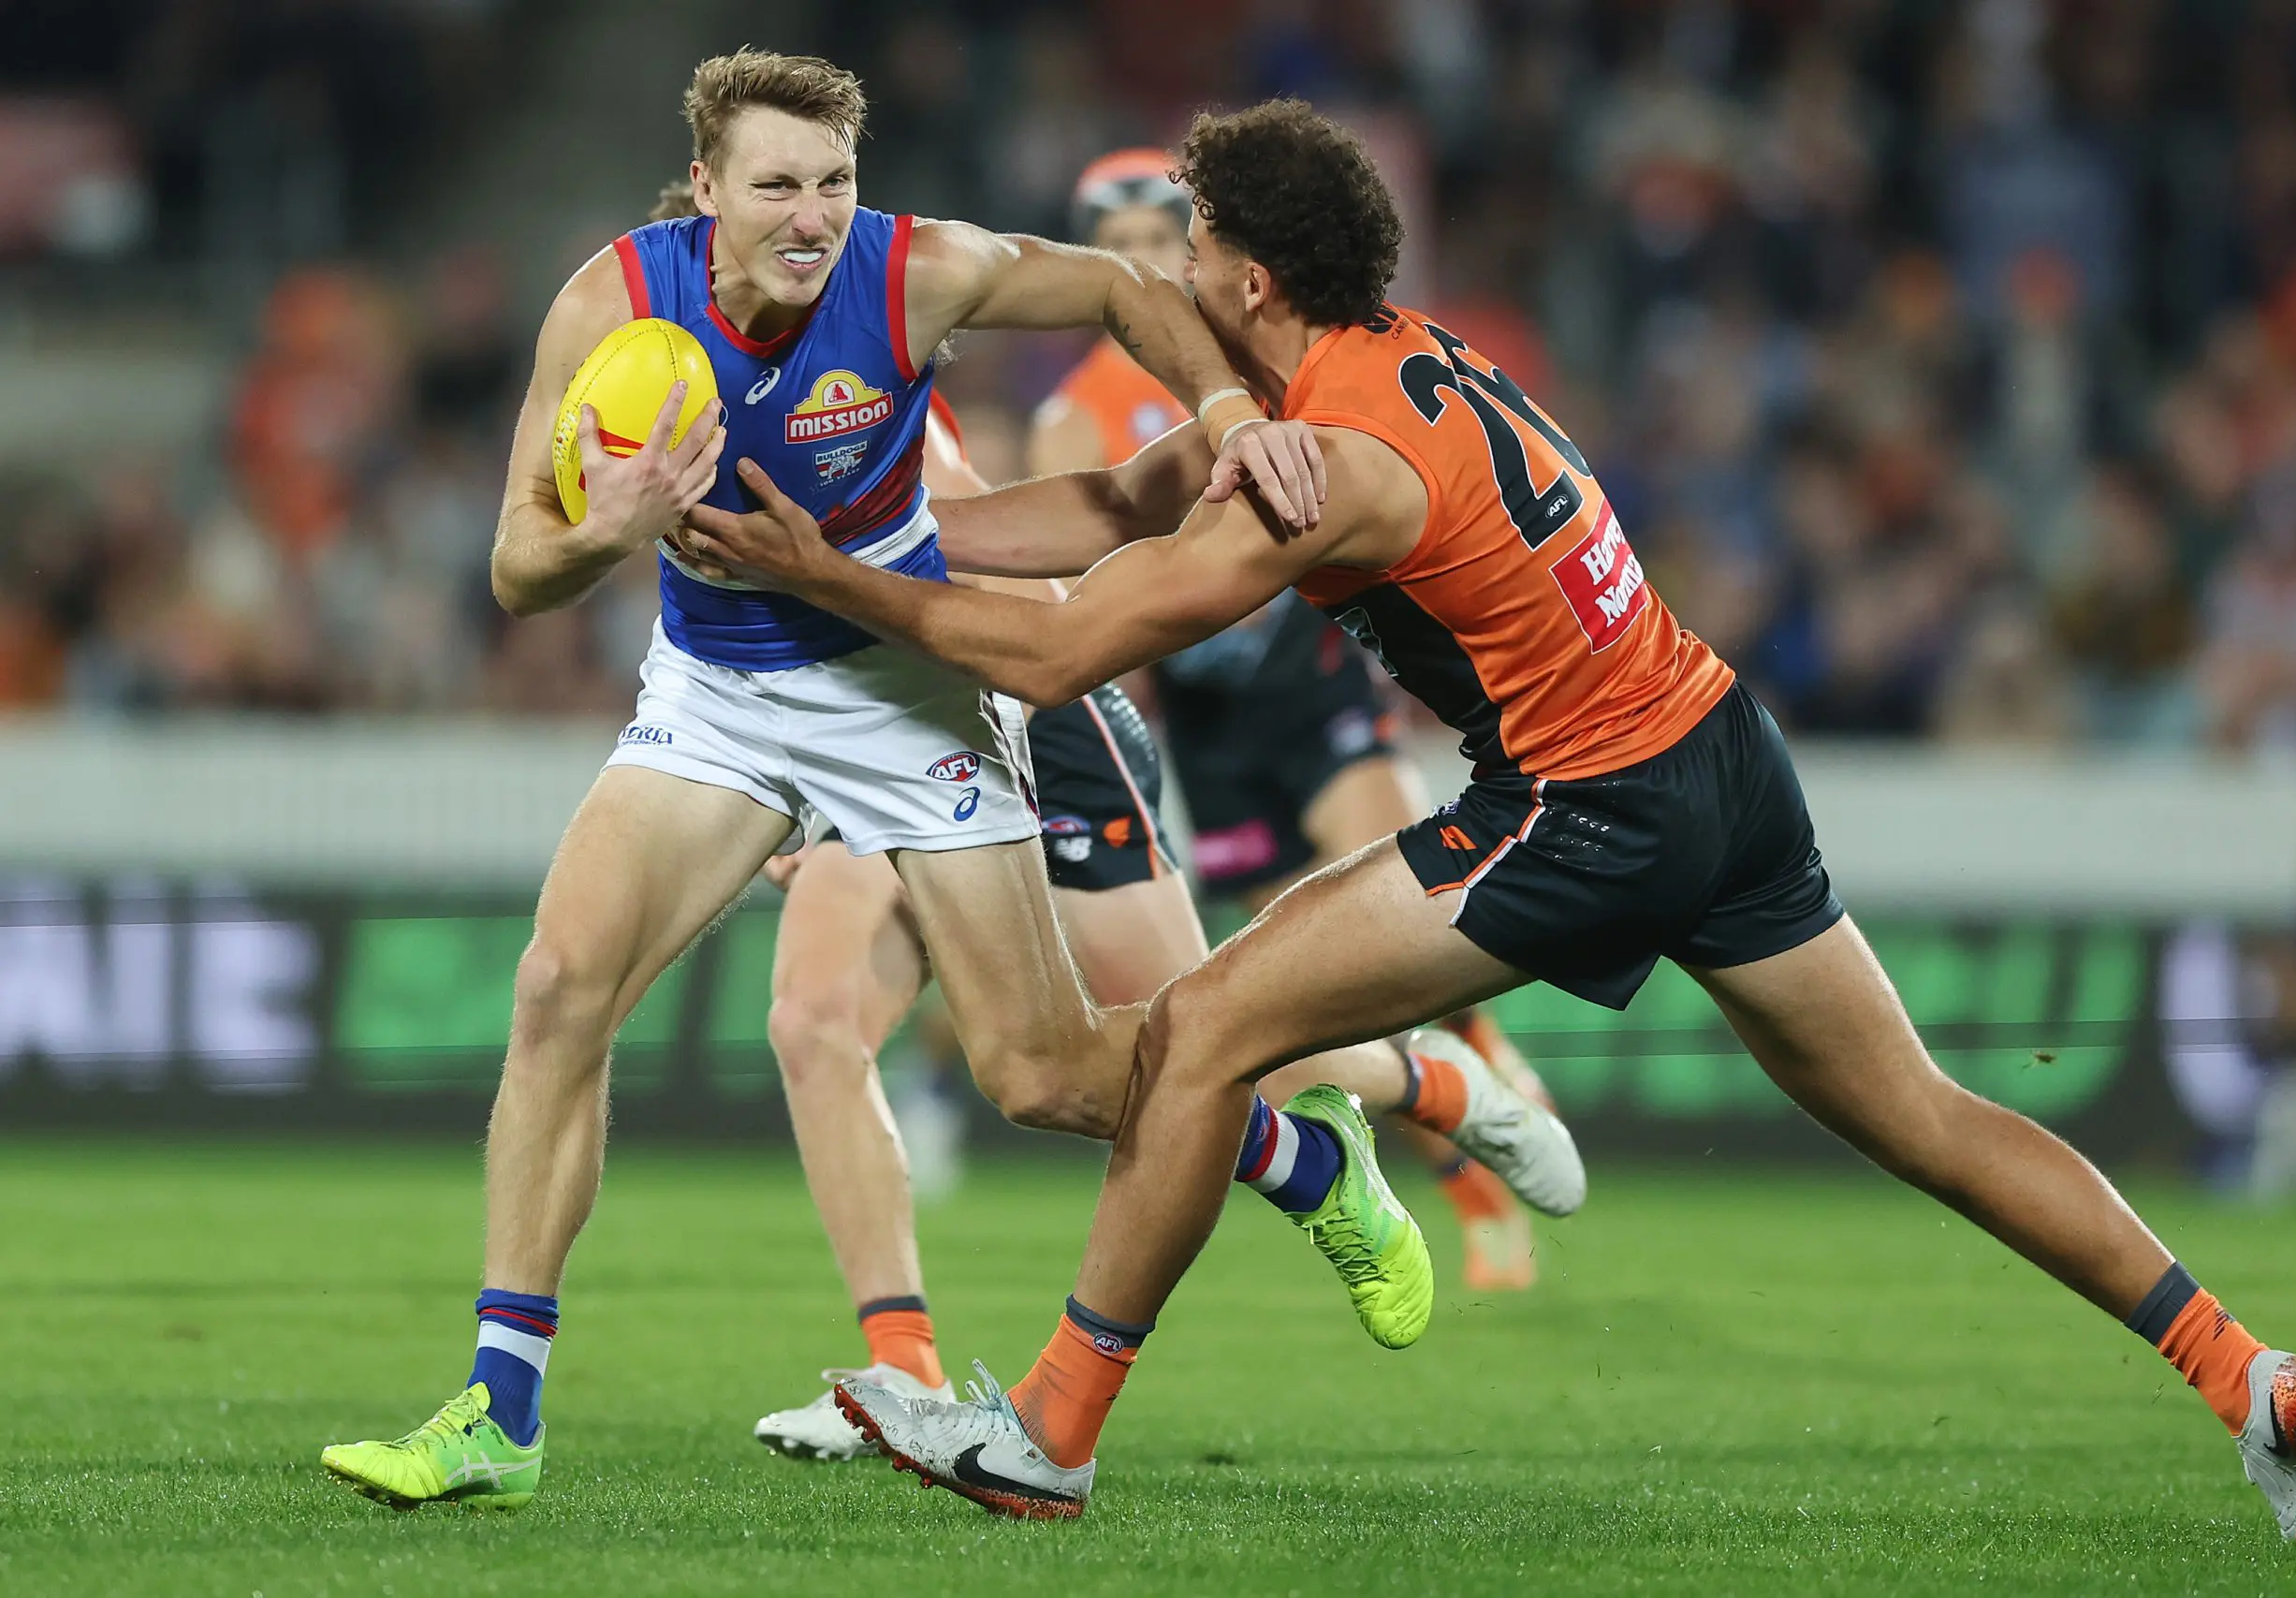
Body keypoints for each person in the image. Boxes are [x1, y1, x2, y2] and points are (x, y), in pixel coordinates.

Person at [680, 99, 2296, 1539]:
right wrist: (894, 534)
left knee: (1196, 1035)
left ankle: (1047, 1437)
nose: (1174, 272)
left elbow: (1060, 646)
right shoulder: (1402, 363)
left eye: (1193, 246)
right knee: (1920, 1109)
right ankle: (2245, 1372)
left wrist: (826, 580)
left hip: (1587, 802)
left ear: (1247, 278)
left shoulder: (1325, 459)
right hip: (1716, 748)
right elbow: (1115, 510)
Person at [319, 54, 1571, 1512]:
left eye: (834, 182)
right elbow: (515, 567)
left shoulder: (912, 275)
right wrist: (618, 526)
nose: (811, 215)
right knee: (559, 988)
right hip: (718, 695)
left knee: (1041, 1071)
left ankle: (1300, 1148)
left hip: (910, 687)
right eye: (777, 184)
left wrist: (1234, 422)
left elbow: (1119, 289)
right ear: (707, 189)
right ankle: (502, 1411)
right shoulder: (612, 305)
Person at [622, 176, 1574, 1464]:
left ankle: (1411, 1085)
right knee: (815, 1017)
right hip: (877, 728)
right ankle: (897, 1363)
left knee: (1169, 1040)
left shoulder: (863, 355)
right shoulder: (695, 388)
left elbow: (971, 559)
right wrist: (798, 768)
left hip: (1020, 720)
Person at [1033, 150, 1551, 1294]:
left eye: (1156, 238)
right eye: (1107, 242)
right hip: (1210, 726)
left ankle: (1482, 1159)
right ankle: (1447, 1098)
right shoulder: (1072, 415)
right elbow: (1089, 591)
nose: (1136, 261)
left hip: (1305, 681)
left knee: (1415, 920)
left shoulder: (1253, 366)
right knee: (1308, 979)